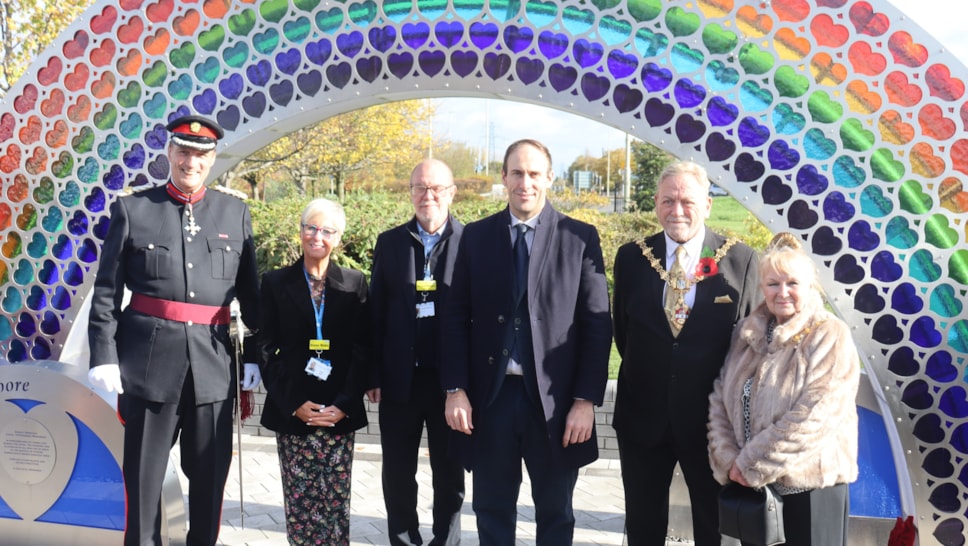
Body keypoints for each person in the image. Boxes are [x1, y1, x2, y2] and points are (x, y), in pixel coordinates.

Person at [87, 114, 262, 546]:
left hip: (213, 372)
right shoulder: (134, 209)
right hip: (148, 369)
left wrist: (255, 359)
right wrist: (103, 355)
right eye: (183, 151)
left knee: (209, 489)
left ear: (212, 158)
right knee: (144, 491)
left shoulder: (235, 213)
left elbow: (253, 299)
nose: (191, 161)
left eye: (201, 154)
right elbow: (107, 291)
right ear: (169, 153)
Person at [441, 139, 612, 545]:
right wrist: (455, 390)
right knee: (492, 512)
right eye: (516, 173)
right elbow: (453, 318)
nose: (525, 182)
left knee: (556, 515)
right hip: (491, 400)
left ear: (550, 178)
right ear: (503, 178)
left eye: (535, 173)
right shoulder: (476, 237)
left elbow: (597, 326)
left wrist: (586, 401)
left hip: (555, 406)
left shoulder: (580, 238)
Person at [611, 160, 759, 546]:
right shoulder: (632, 258)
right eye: (667, 200)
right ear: (657, 204)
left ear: (708, 204)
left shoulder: (739, 260)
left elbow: (751, 346)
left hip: (713, 427)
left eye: (687, 201)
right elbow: (623, 335)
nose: (677, 210)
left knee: (714, 528)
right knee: (643, 527)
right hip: (643, 419)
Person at [708, 232, 859, 546]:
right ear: (761, 287)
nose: (783, 293)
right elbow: (720, 401)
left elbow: (815, 416)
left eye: (792, 283)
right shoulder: (747, 333)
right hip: (757, 493)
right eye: (773, 283)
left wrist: (751, 464)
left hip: (810, 491)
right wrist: (728, 460)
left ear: (809, 285)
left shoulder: (828, 334)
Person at [258, 198, 369, 546]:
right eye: (311, 227)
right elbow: (264, 348)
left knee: (335, 507)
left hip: (338, 412)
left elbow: (363, 347)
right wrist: (293, 402)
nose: (317, 236)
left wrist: (346, 403)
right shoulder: (275, 283)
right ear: (301, 230)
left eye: (326, 230)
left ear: (338, 237)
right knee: (301, 505)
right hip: (295, 413)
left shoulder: (354, 283)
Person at [367, 159, 465, 545]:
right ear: (410, 193)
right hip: (398, 382)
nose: (429, 196)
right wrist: (373, 374)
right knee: (397, 473)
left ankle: (447, 541)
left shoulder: (470, 242)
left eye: (437, 188)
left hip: (450, 384)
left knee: (450, 474)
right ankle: (404, 541)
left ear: (452, 192)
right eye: (420, 188)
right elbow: (376, 311)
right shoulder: (390, 242)